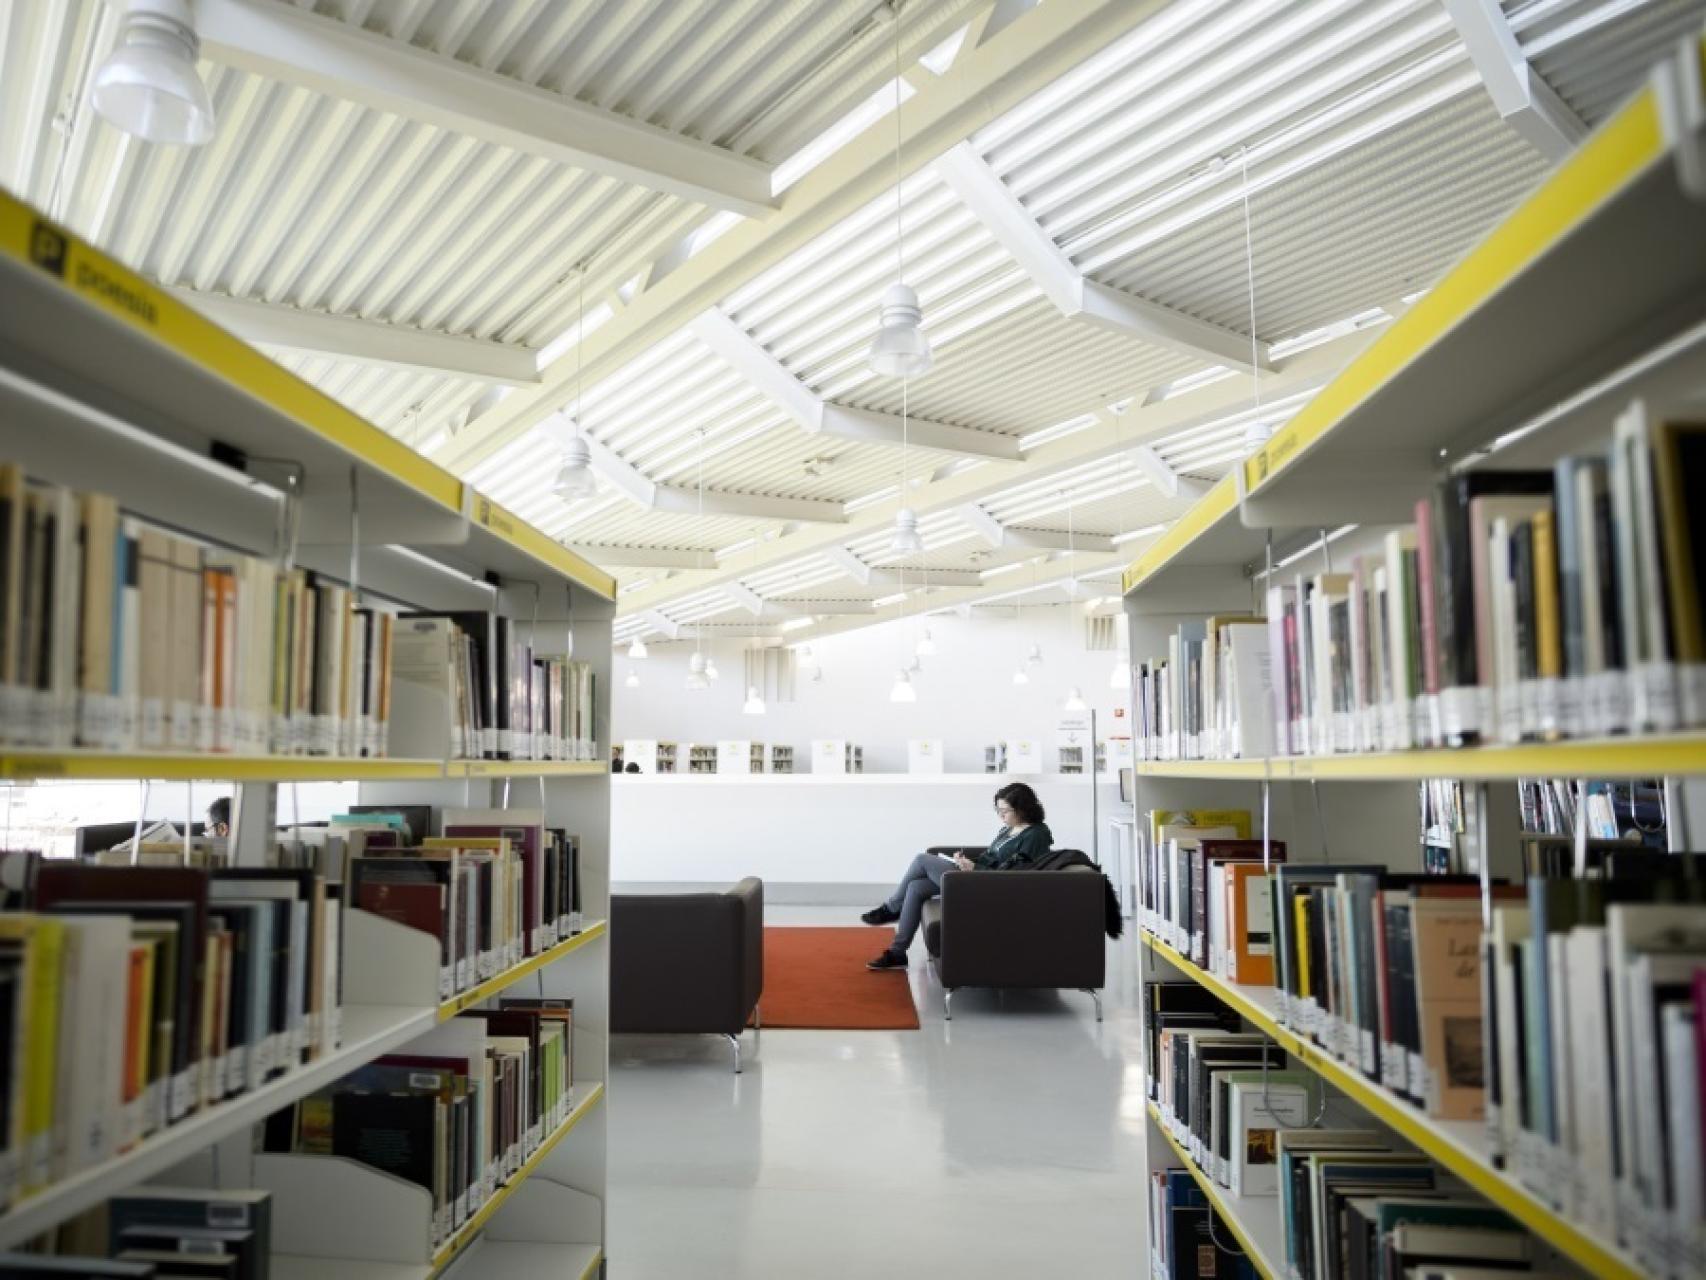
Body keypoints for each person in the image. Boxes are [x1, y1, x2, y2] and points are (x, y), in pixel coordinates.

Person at [862, 781, 1053, 971]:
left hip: (992, 888)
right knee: (916, 887)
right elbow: (991, 858)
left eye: (1006, 810)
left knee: (922, 859)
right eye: (998, 809)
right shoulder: (1009, 828)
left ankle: (891, 908)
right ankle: (897, 953)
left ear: (1023, 808)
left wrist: (975, 869)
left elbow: (1015, 875)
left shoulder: (1036, 834)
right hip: (979, 877)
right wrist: (967, 861)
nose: (1001, 815)